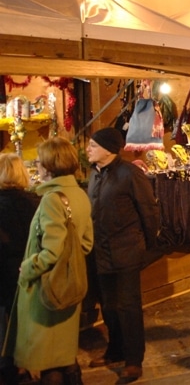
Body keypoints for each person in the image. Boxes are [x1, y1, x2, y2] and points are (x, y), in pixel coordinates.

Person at [13, 138, 94, 385]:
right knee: (62, 354)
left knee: (48, 359)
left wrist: (28, 267)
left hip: (46, 290)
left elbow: (52, 251)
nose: (36, 166)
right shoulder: (79, 194)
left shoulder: (51, 199)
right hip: (69, 285)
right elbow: (86, 243)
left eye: (39, 161)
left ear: (49, 166)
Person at [86, 127, 160, 384]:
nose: (88, 149)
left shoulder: (130, 174)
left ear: (108, 150)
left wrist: (147, 245)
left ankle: (133, 360)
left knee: (128, 307)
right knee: (108, 305)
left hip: (126, 250)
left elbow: (149, 211)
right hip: (101, 251)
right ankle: (115, 350)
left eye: (93, 146)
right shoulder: (94, 174)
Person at [0, 154, 39, 383]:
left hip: (4, 269)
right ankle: (27, 363)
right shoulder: (34, 201)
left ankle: (8, 364)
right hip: (29, 267)